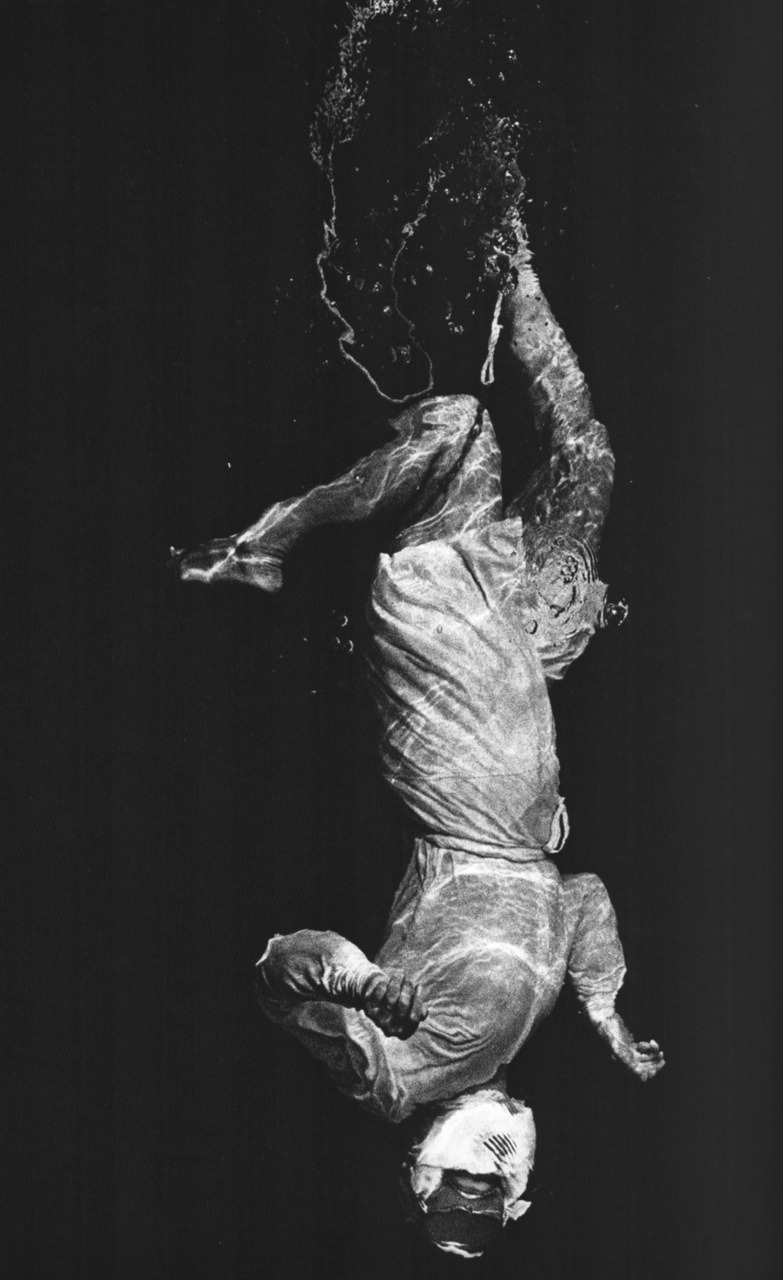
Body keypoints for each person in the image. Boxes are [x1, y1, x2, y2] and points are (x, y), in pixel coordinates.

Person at [172, 227, 664, 1258]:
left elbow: (277, 970)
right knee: (586, 454)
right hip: (515, 720)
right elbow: (581, 898)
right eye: (497, 1196)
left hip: (460, 753)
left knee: (456, 434)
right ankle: (515, 264)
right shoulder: (514, 1035)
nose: (485, 1178)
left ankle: (270, 539)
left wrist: (357, 983)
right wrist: (605, 1007)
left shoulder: (391, 1079)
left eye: (455, 1191)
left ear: (415, 1166)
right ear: (525, 1192)